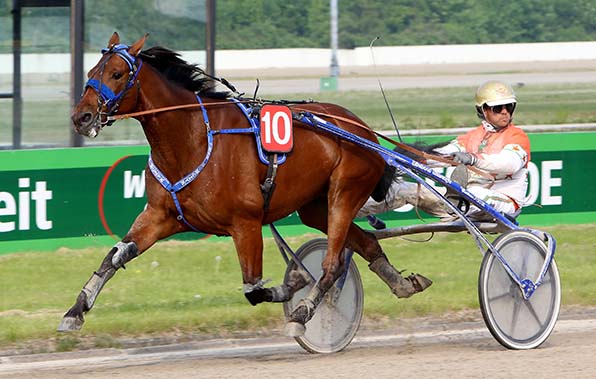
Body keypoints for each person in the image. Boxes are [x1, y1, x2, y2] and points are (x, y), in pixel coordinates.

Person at [358, 80, 531, 224]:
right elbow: (446, 154)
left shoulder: (517, 136)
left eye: (509, 106)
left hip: (503, 205)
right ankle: (349, 212)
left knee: (471, 194)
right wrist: (416, 157)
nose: (505, 112)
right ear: (483, 110)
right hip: (463, 203)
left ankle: (457, 200)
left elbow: (509, 164)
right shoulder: (473, 137)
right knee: (401, 189)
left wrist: (473, 159)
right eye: (498, 108)